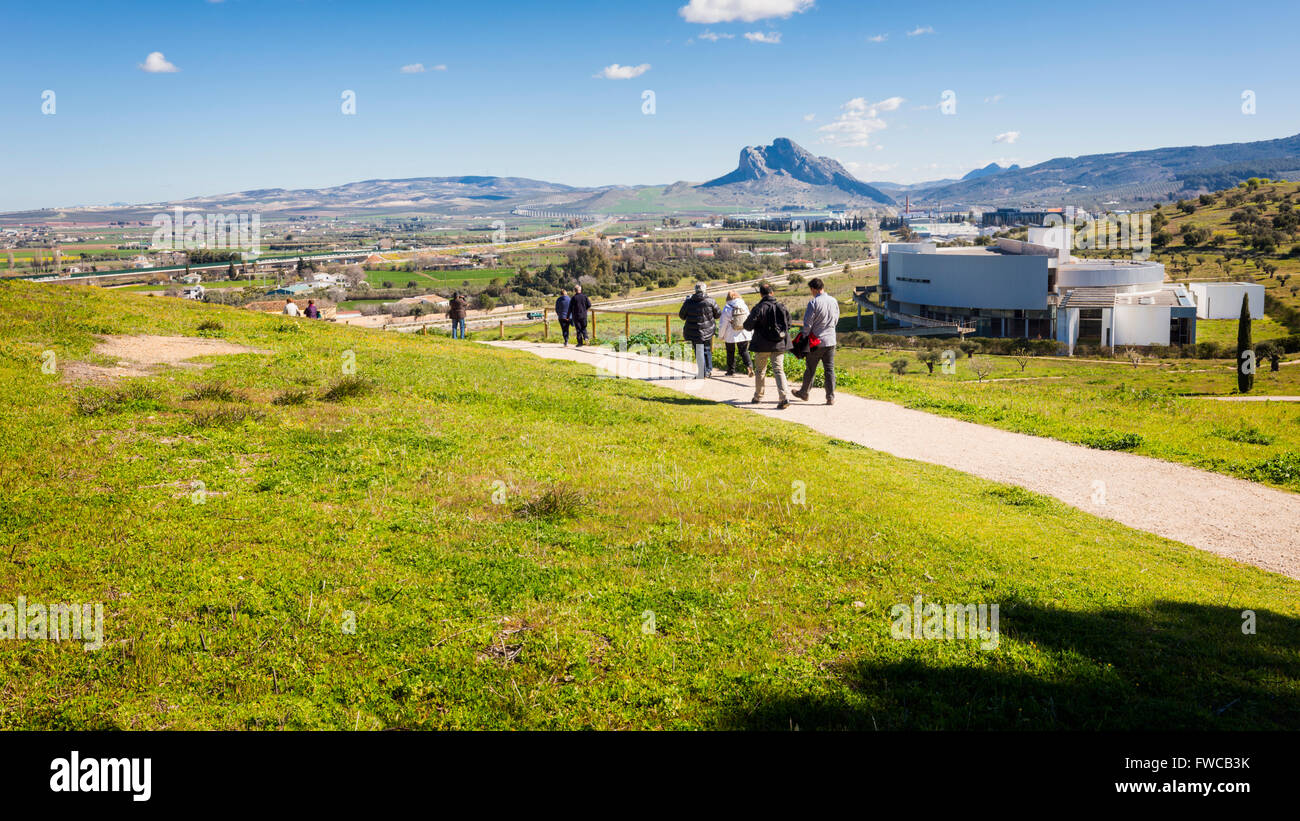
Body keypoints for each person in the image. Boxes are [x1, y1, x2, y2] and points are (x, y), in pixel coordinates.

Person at [743, 282, 792, 409]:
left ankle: (758, 396)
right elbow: (789, 324)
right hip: (778, 344)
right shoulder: (781, 306)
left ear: (761, 294)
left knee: (760, 371)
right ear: (772, 293)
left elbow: (747, 326)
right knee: (779, 370)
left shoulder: (759, 308)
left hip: (762, 344)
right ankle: (784, 397)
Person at [792, 277, 840, 405]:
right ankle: (830, 397)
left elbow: (807, 324)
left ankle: (804, 392)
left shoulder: (813, 303)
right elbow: (836, 320)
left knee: (810, 369)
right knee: (829, 369)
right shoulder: (834, 301)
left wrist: (804, 337)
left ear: (813, 289)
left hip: (816, 341)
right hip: (831, 340)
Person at [679, 282, 721, 378]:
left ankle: (702, 372)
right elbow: (718, 314)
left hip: (694, 331)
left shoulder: (689, 302)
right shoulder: (710, 301)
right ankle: (708, 370)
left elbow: (682, 316)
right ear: (704, 290)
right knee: (707, 349)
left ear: (695, 290)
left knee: (699, 351)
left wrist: (686, 303)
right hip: (708, 330)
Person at [719, 290, 753, 377]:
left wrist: (721, 335)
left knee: (730, 352)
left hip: (730, 334)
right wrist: (751, 331)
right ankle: (749, 366)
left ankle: (730, 371)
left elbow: (723, 324)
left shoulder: (727, 308)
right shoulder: (744, 306)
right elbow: (749, 318)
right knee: (744, 351)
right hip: (743, 332)